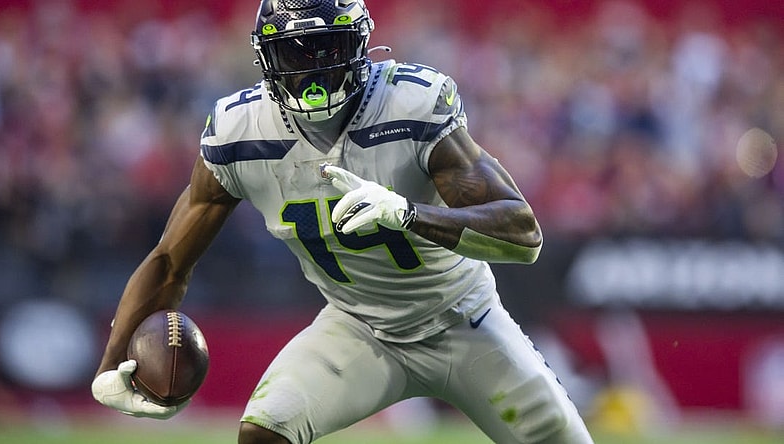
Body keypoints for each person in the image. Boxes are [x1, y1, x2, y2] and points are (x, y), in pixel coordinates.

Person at [91, 1, 595, 443]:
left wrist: (408, 214)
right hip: (357, 326)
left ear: (357, 45)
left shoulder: (408, 105)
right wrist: (112, 364)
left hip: (464, 318)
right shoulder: (239, 132)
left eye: (327, 50)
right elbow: (170, 261)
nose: (313, 73)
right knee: (265, 432)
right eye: (296, 53)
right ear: (267, 59)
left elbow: (523, 233)